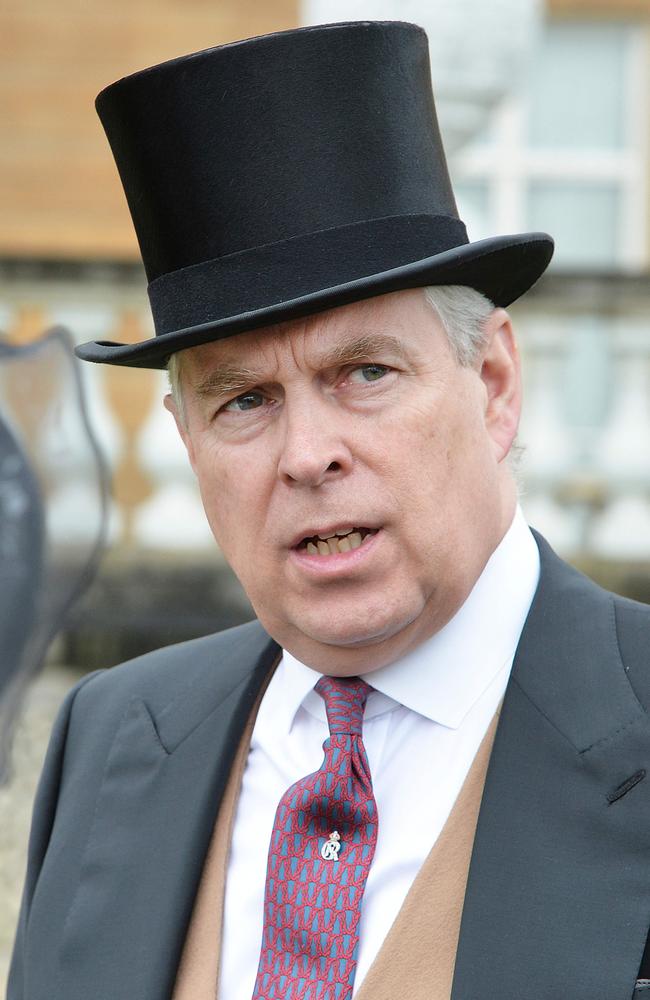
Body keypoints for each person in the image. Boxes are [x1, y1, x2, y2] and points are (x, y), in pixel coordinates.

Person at [8, 20, 650, 1000]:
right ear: (184, 439)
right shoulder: (111, 733)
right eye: (243, 400)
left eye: (363, 371)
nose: (308, 454)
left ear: (491, 381)